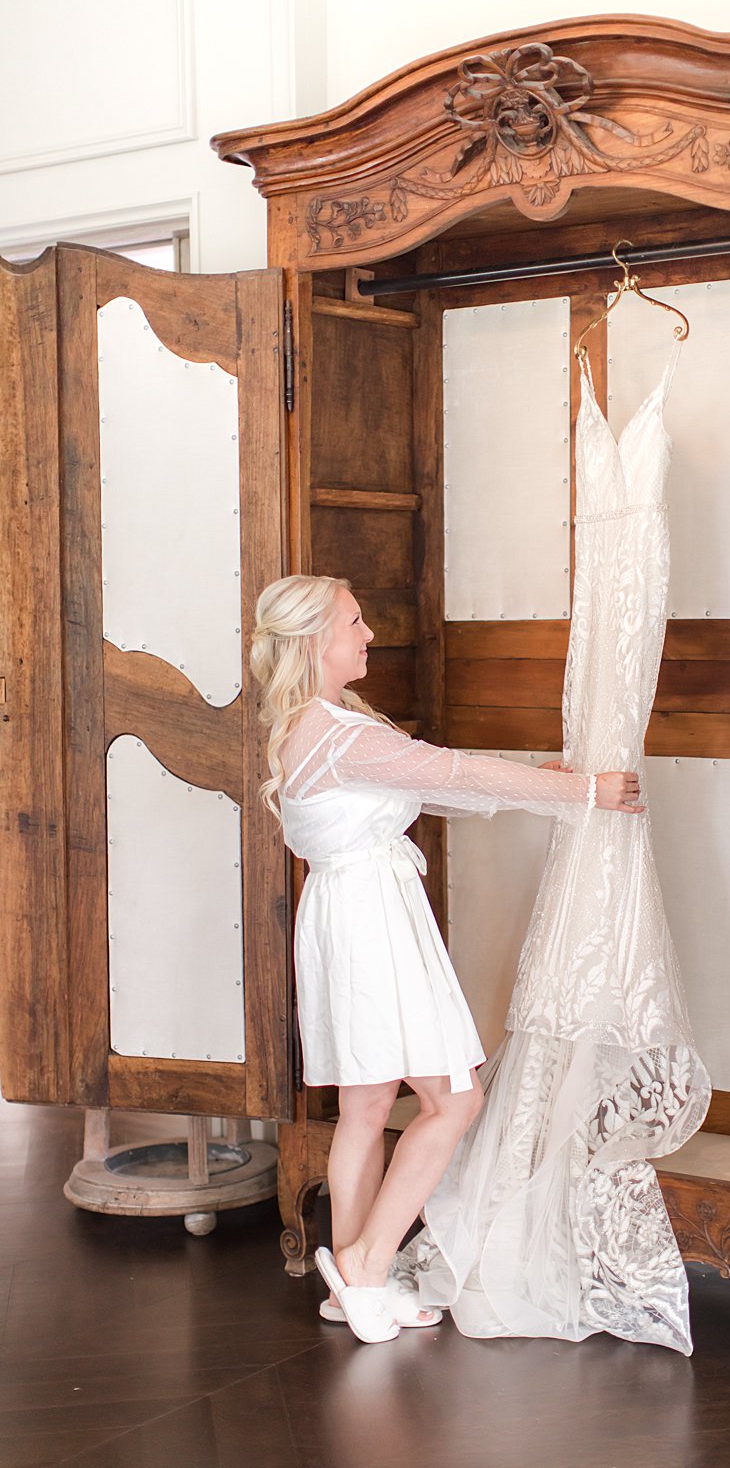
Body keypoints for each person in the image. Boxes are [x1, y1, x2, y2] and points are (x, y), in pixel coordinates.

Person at [249, 573, 645, 1344]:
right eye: (355, 622)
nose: (368, 635)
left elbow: (434, 785)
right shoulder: (340, 735)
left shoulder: (315, 727)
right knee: (453, 1103)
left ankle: (353, 1288)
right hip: (372, 925)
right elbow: (451, 773)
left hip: (341, 916)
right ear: (314, 641)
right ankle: (364, 1266)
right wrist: (587, 793)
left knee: (365, 1109)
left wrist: (545, 787)